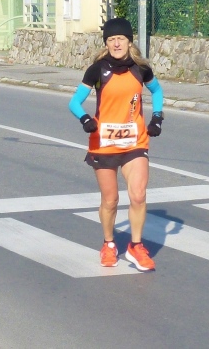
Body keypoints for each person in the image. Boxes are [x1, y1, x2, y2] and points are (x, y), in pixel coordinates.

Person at [68, 18, 164, 272]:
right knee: (110, 200)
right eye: (111, 39)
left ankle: (136, 246)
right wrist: (85, 119)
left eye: (121, 38)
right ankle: (109, 243)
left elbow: (157, 91)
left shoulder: (141, 69)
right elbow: (74, 102)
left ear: (129, 41)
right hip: (104, 143)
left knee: (138, 195)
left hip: (134, 141)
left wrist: (157, 117)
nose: (116, 43)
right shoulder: (97, 70)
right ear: (106, 43)